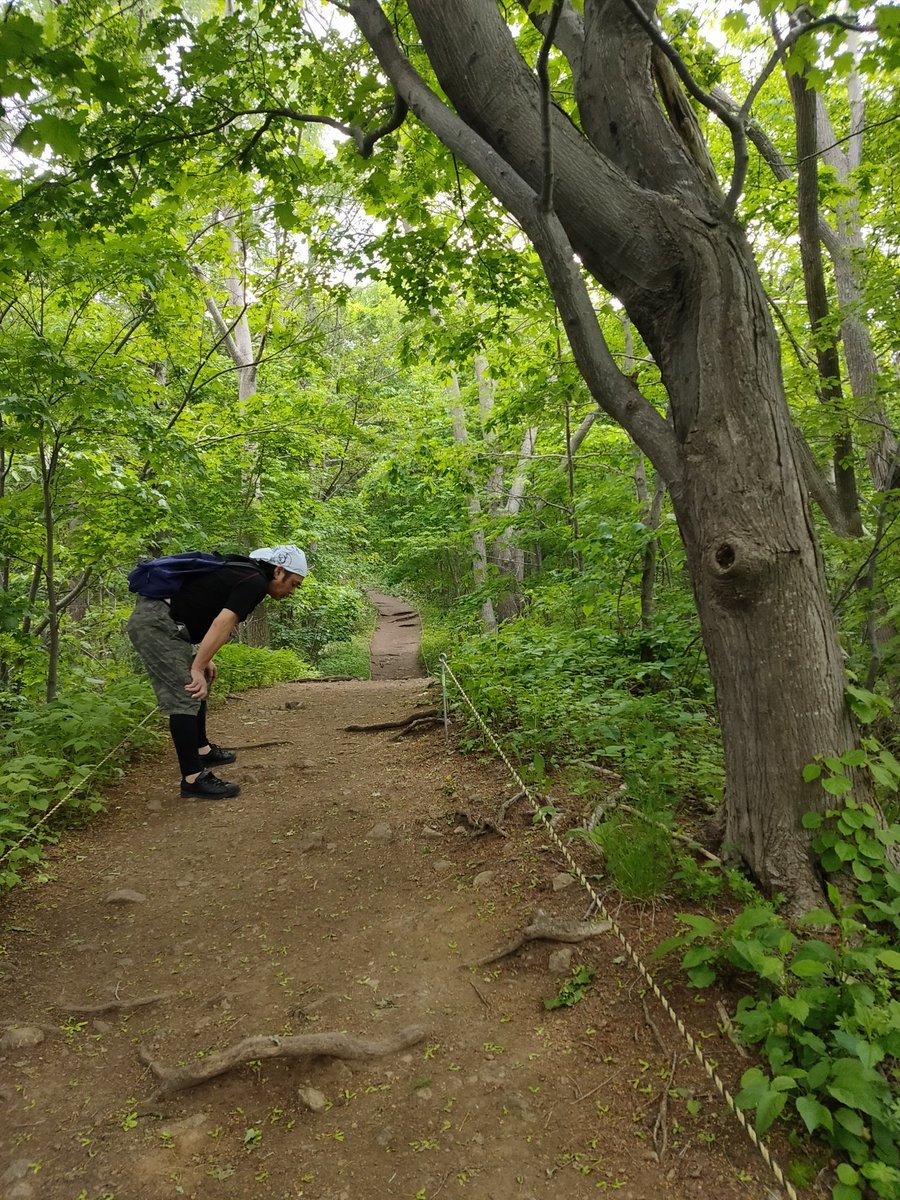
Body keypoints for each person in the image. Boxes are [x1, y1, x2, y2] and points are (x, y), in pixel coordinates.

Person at [127, 544, 308, 799]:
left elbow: (203, 607)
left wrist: (203, 659)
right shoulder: (254, 581)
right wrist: (197, 666)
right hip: (156, 624)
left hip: (170, 624)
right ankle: (193, 779)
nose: (292, 591)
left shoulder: (246, 573)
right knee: (187, 692)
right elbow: (223, 622)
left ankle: (202, 750)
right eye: (294, 584)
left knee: (201, 680)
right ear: (279, 571)